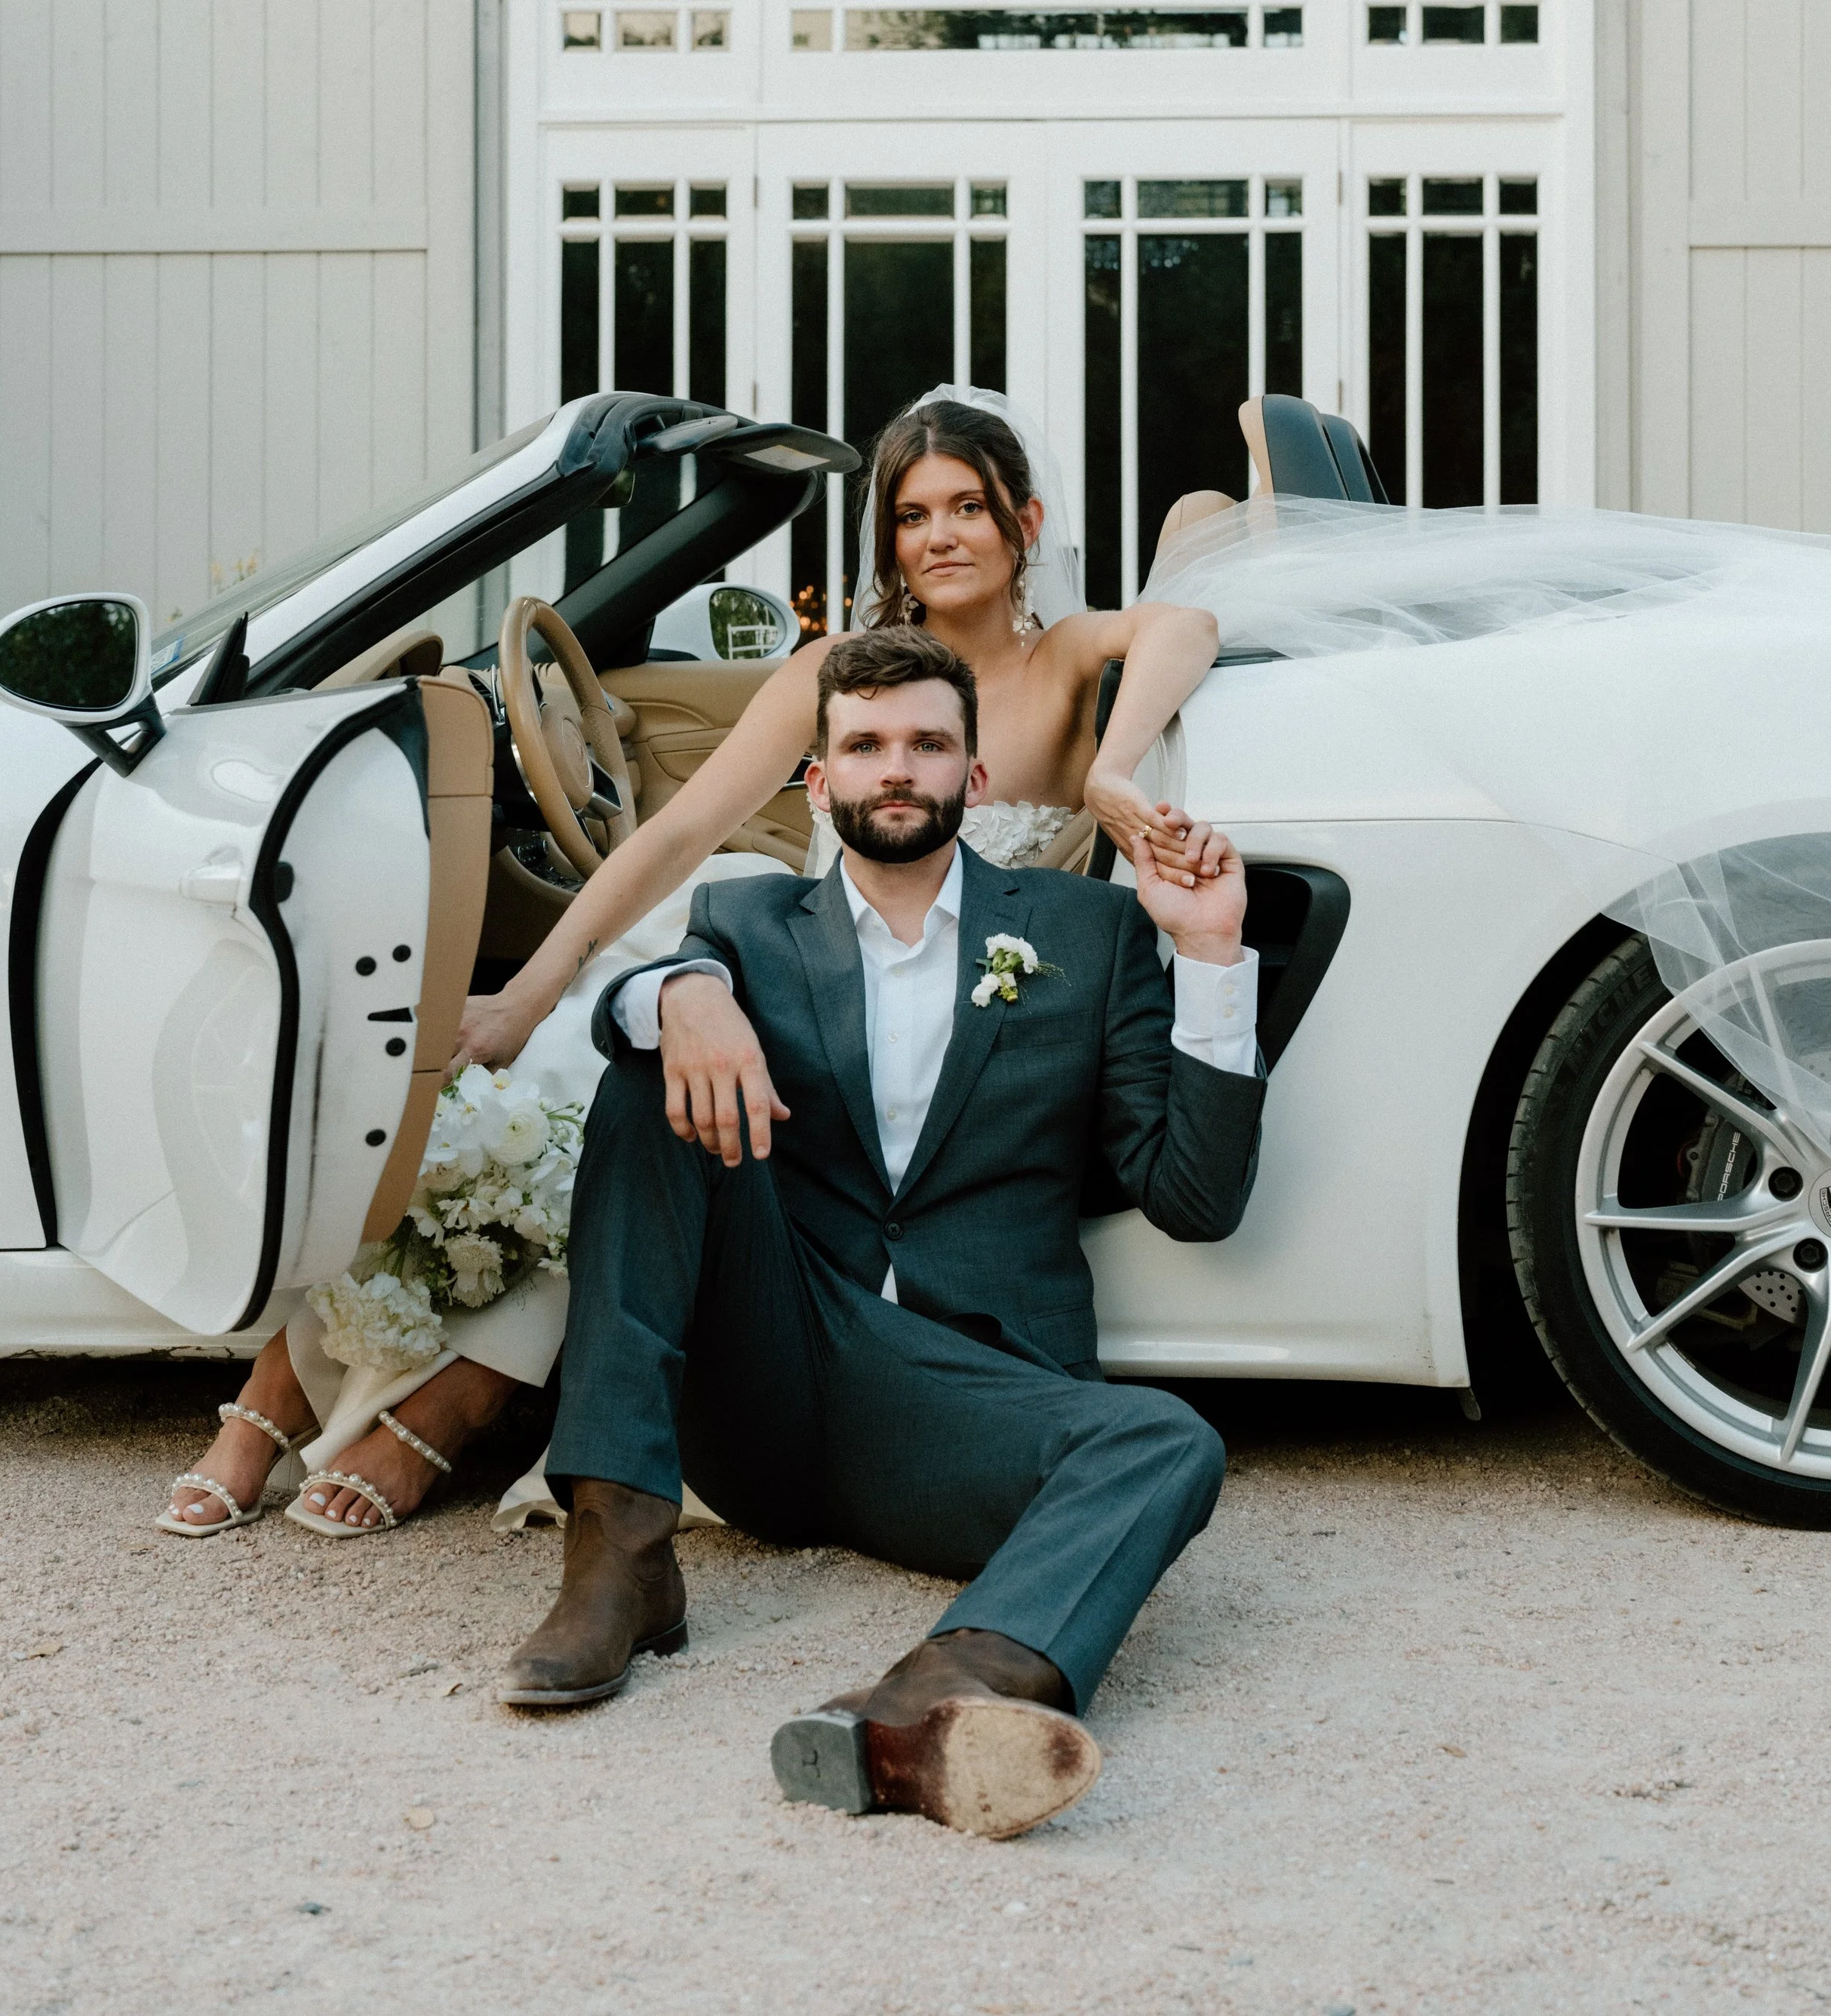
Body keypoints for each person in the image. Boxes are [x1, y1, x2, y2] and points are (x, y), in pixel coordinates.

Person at [159, 386, 1222, 1538]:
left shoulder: (1064, 656)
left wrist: (1114, 770)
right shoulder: (831, 668)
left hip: (893, 1029)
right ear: (889, 543)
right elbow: (674, 836)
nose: (943, 536)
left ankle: (455, 1404)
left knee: (620, 1090)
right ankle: (277, 1388)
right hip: (779, 965)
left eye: (969, 506)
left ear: (1026, 522)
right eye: (913, 515)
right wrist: (526, 994)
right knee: (533, 1064)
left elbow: (1185, 627)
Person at [496, 625, 1264, 1842]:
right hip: (777, 1374)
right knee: (651, 1067)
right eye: (864, 745)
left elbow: (1195, 1200)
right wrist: (679, 990)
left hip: (970, 1404)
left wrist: (1212, 951)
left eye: (927, 744)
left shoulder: (1085, 932)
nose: (896, 767)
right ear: (821, 780)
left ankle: (932, 1700)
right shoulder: (746, 922)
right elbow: (648, 1008)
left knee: (1167, 1441)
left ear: (979, 776)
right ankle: (617, 1551)